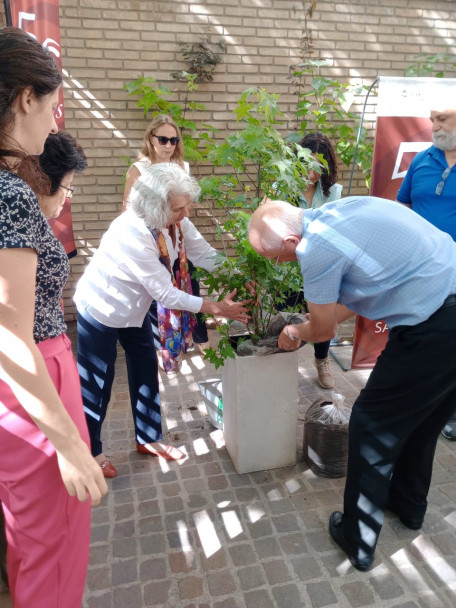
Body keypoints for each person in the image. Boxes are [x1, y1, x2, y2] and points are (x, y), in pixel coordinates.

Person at [248, 197, 456, 572]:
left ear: (291, 243)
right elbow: (351, 301)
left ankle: (358, 539)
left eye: (275, 258)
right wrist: (310, 321)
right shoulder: (338, 214)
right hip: (449, 302)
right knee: (424, 421)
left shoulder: (314, 248)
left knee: (370, 424)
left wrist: (296, 331)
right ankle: (408, 506)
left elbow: (325, 329)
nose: (277, 265)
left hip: (434, 326)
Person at [0, 27, 107, 608]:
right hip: (35, 377)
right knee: (55, 546)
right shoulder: (9, 193)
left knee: (32, 540)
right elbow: (8, 332)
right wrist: (68, 442)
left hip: (20, 388)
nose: (53, 119)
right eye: (52, 104)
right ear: (24, 99)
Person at [75, 162, 251, 479]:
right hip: (100, 310)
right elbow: (165, 293)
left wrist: (240, 275)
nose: (186, 214)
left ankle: (149, 438)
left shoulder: (176, 222)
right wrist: (215, 308)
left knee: (145, 371)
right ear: (155, 208)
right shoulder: (132, 231)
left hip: (134, 311)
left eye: (187, 206)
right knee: (96, 384)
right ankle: (91, 452)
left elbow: (205, 254)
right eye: (178, 209)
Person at [123, 114, 210, 355]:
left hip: (178, 237)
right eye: (163, 139)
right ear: (151, 139)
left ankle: (196, 335)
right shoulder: (138, 169)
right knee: (160, 296)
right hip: (151, 242)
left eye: (174, 140)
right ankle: (165, 346)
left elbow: (185, 210)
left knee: (191, 283)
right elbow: (128, 210)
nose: (169, 145)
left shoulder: (183, 166)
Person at [397, 105, 456, 440]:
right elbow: (403, 206)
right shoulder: (421, 161)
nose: (432, 125)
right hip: (421, 270)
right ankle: (411, 403)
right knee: (415, 332)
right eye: (432, 119)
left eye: (441, 119)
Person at [276, 132, 343, 389]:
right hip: (288, 269)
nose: (312, 172)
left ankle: (322, 360)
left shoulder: (332, 191)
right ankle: (283, 359)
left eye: (318, 165)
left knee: (321, 316)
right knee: (287, 315)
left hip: (321, 266)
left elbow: (329, 230)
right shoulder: (282, 187)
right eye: (307, 164)